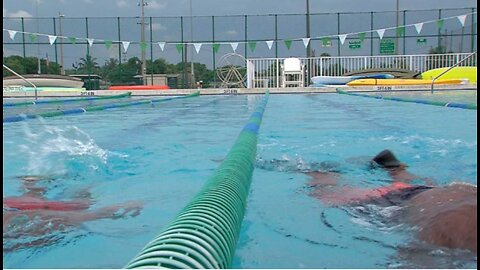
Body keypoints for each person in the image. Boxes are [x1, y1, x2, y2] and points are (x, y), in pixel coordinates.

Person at [257, 150, 477, 256]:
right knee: (327, 192)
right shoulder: (456, 228)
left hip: (440, 193)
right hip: (411, 203)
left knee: (416, 186)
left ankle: (395, 169)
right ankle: (321, 172)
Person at [3, 175, 143, 252]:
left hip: (23, 211)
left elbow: (78, 217)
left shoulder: (15, 222)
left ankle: (34, 187)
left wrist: (107, 211)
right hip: (20, 209)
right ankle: (32, 187)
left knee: (81, 203)